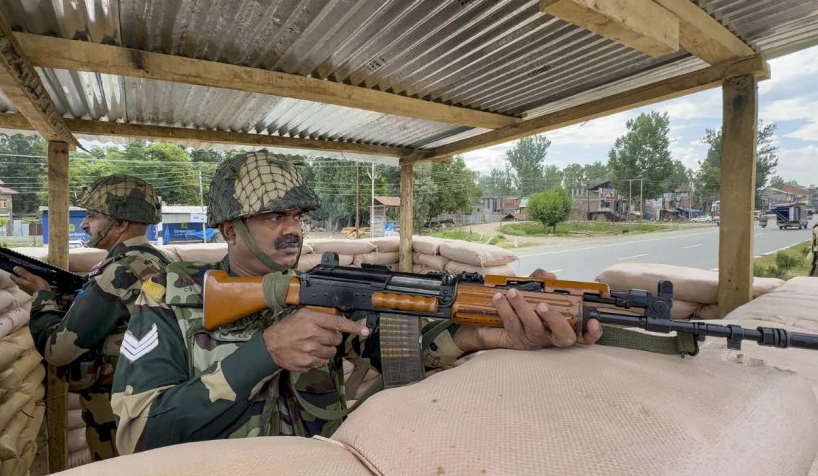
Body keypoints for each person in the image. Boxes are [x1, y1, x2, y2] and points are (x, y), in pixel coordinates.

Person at [111, 150, 602, 454]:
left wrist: (481, 333)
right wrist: (265, 352)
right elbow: (137, 436)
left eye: (297, 216)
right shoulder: (170, 298)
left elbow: (398, 350)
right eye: (274, 217)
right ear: (229, 231)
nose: (293, 229)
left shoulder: (318, 288)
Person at [12, 175, 171, 461]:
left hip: (115, 414)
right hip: (148, 405)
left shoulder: (119, 271)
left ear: (120, 224)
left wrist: (41, 297)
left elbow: (58, 350)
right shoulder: (156, 260)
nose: (84, 224)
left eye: (92, 216)